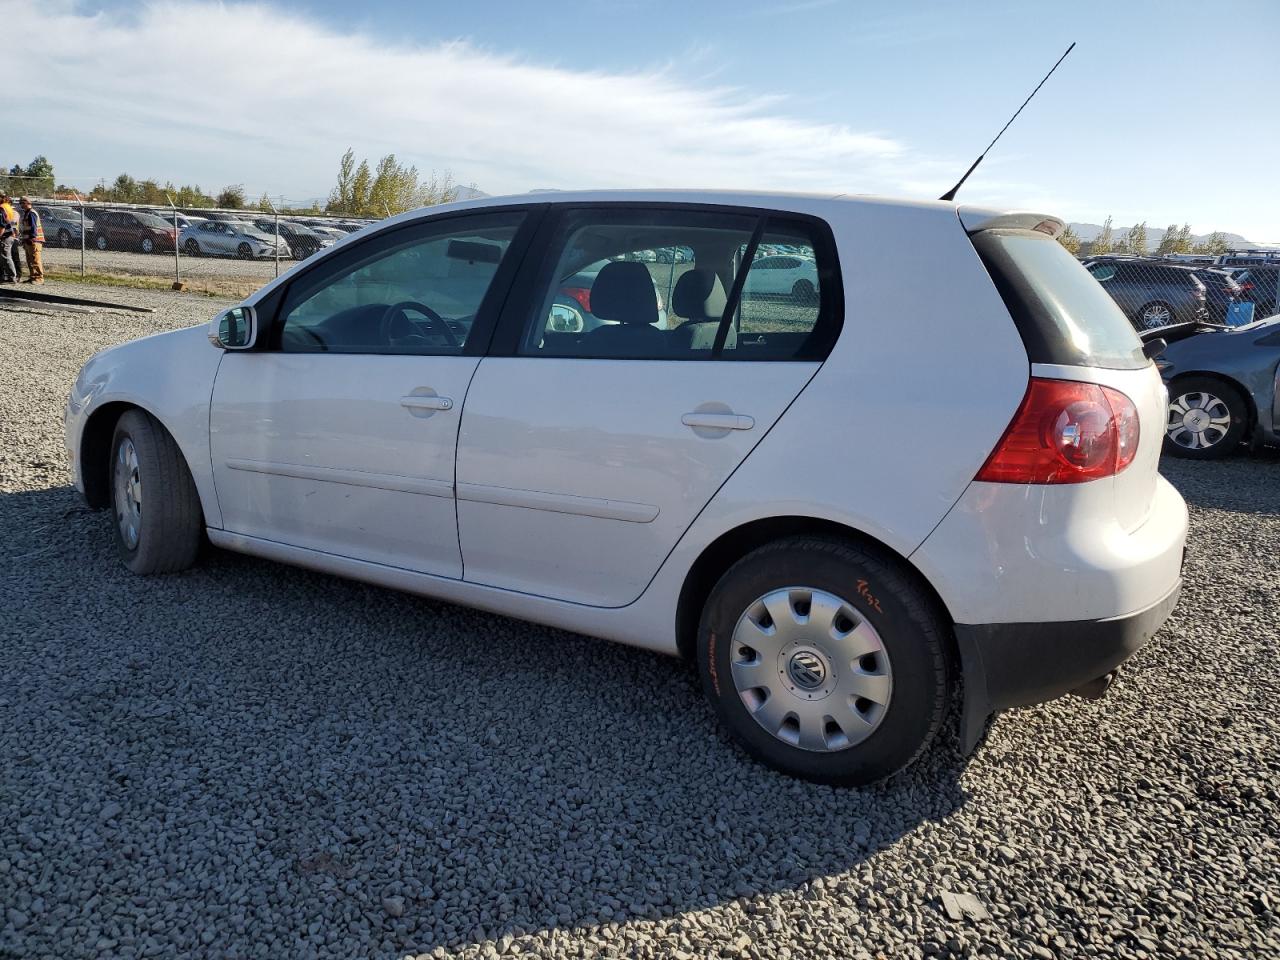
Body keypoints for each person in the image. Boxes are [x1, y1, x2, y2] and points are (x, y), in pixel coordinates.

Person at [17, 197, 44, 284]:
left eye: (22, 202)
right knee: (30, 260)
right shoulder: (26, 213)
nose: (21, 205)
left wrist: (32, 238)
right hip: (28, 240)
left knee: (35, 260)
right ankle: (32, 277)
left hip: (34, 240)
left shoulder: (31, 213)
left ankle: (39, 278)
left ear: (27, 202)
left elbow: (33, 227)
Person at [0, 193, 17, 283]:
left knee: (6, 257)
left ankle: (12, 277)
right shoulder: (8, 207)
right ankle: (7, 276)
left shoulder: (2, 208)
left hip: (5, 235)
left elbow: (2, 225)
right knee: (4, 256)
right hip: (9, 234)